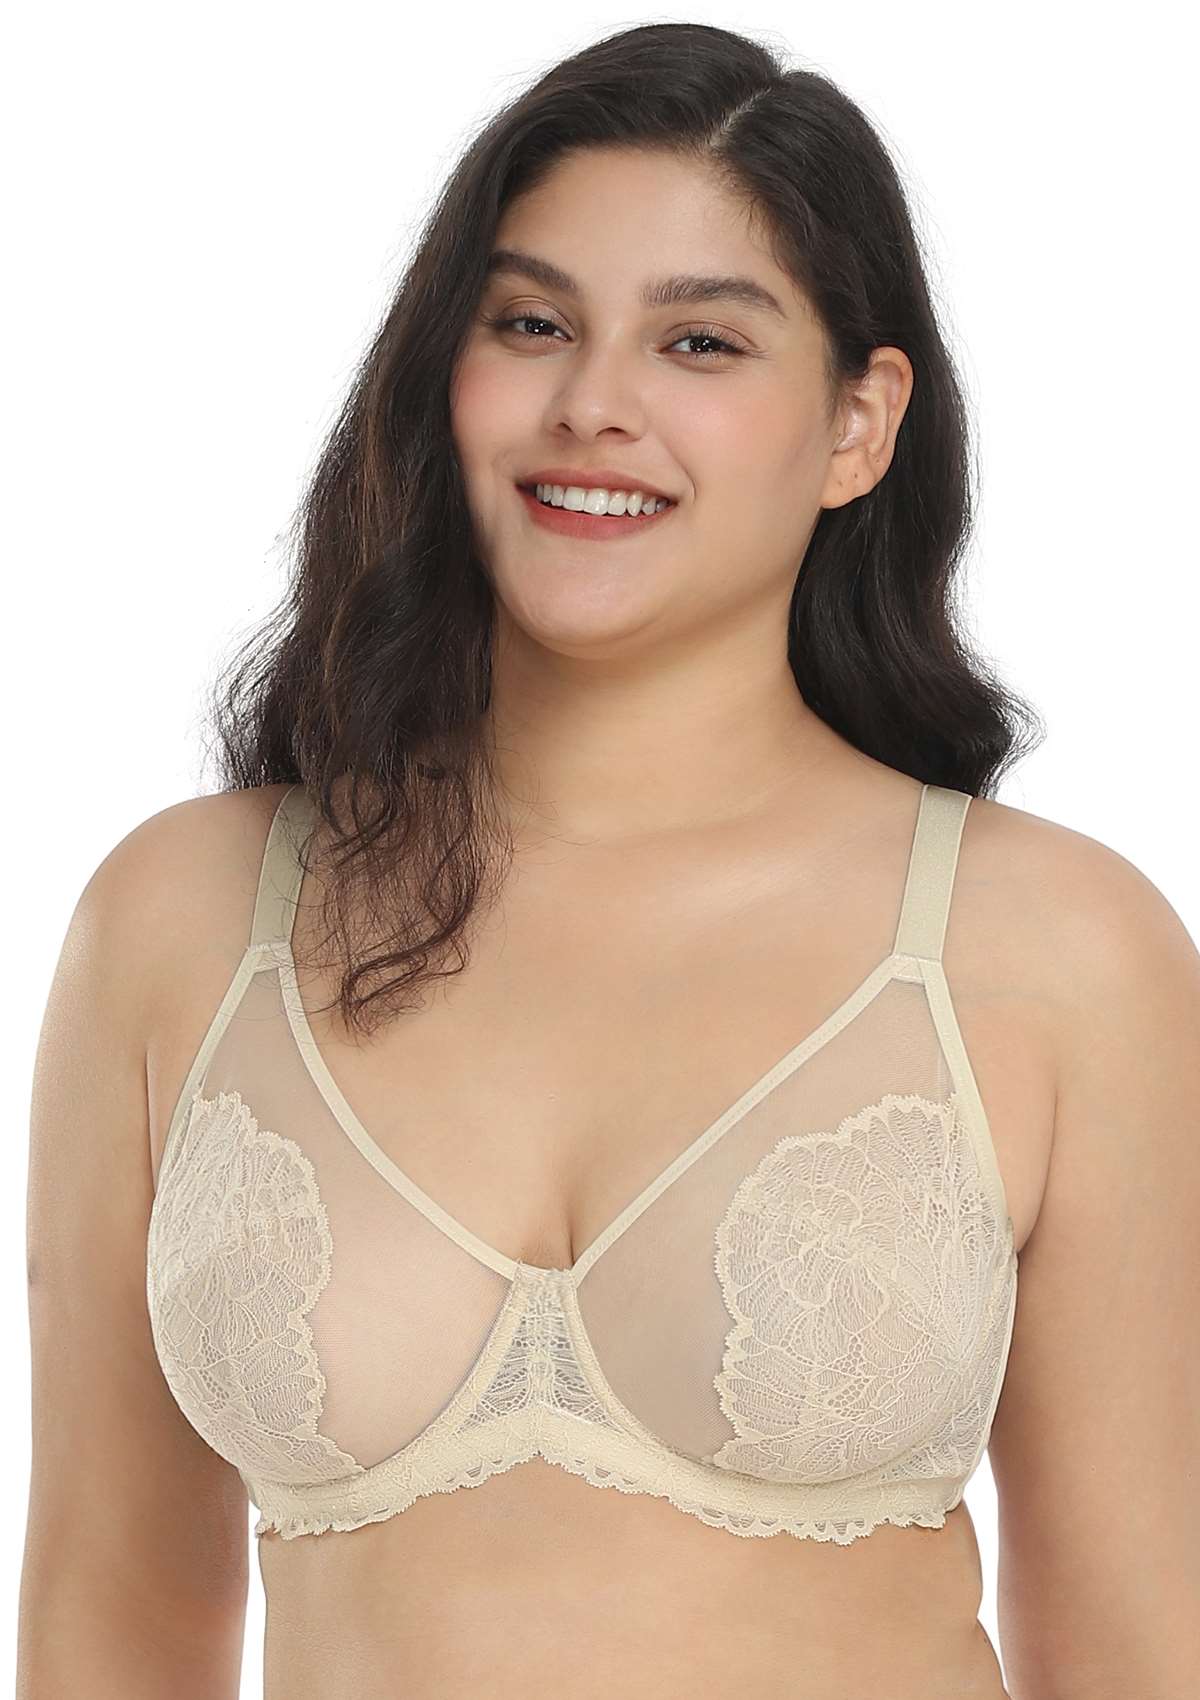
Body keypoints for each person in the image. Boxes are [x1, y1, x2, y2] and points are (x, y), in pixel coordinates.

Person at [18, 21, 1199, 1700]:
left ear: (859, 425)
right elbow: (110, 1625)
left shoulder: (1055, 950)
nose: (593, 405)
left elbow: (1143, 1651)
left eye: (700, 341)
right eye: (532, 324)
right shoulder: (186, 920)